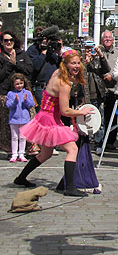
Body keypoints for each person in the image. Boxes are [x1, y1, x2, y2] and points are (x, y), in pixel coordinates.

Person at [14, 50, 94, 197]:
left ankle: (20, 178)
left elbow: (73, 80)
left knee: (45, 153)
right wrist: (81, 112)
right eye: (73, 63)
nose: (76, 66)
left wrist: (85, 63)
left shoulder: (57, 72)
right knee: (72, 149)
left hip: (45, 116)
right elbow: (65, 111)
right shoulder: (64, 84)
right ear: (66, 64)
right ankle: (69, 188)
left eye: (78, 63)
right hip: (50, 119)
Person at [84, 31, 118, 154]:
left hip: (109, 89)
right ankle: (88, 142)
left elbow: (108, 69)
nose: (108, 39)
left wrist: (100, 57)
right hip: (93, 90)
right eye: (105, 37)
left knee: (108, 118)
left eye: (110, 37)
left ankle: (106, 142)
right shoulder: (88, 55)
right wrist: (87, 60)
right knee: (91, 118)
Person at [0, 30, 33, 154]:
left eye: (11, 40)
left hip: (23, 94)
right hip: (5, 94)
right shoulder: (1, 56)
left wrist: (16, 65)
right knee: (7, 126)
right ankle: (10, 150)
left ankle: (26, 149)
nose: (8, 42)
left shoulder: (21, 54)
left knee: (26, 121)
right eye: (6, 40)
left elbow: (29, 70)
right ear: (2, 43)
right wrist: (9, 64)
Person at [6, 73, 35, 163]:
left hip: (24, 119)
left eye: (21, 83)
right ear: (13, 85)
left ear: (24, 83)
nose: (19, 86)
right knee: (14, 137)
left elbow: (31, 105)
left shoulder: (27, 93)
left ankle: (21, 154)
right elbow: (8, 105)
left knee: (23, 137)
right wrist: (15, 101)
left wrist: (26, 100)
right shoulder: (10, 94)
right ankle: (14, 154)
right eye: (17, 84)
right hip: (14, 119)